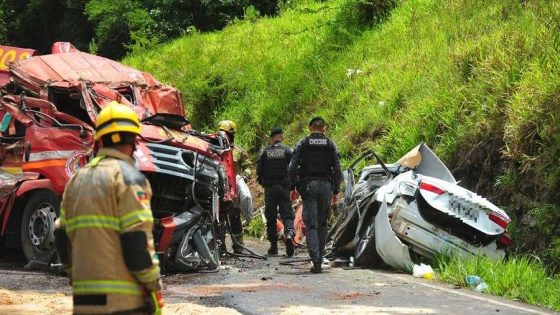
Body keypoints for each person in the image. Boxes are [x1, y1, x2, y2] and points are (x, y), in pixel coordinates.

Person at [54, 102, 163, 314]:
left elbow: (60, 235)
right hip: (124, 304)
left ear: (99, 140)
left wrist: (74, 276)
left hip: (84, 302)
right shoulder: (129, 179)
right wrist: (153, 285)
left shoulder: (76, 180)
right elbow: (136, 241)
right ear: (134, 141)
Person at [288, 116, 342, 273]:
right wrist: (336, 191)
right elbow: (338, 169)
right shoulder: (330, 144)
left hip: (309, 186)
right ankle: (319, 257)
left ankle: (316, 261)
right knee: (322, 223)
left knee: (311, 224)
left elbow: (292, 167)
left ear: (310, 128)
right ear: (324, 129)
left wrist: (292, 187)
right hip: (326, 187)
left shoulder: (303, 143)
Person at [256, 127, 295, 257]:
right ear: (281, 137)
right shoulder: (288, 151)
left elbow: (259, 171)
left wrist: (264, 184)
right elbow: (294, 169)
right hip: (284, 188)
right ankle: (289, 234)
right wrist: (292, 186)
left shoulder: (265, 152)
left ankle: (273, 247)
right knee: (287, 214)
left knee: (271, 216)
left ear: (271, 138)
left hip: (270, 189)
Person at [218, 120, 251, 254]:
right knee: (218, 218)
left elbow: (247, 166)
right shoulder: (213, 148)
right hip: (219, 187)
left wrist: (245, 176)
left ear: (231, 135)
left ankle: (238, 245)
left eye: (225, 133)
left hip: (233, 189)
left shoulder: (238, 151)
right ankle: (219, 246)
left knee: (234, 217)